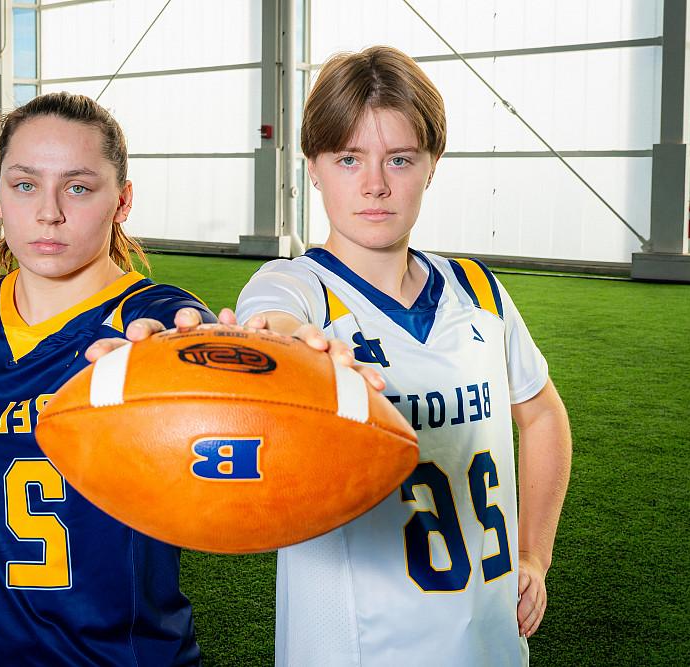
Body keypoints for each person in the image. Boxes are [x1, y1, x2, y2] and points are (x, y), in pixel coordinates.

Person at [234, 46, 573, 665]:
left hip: (491, 640)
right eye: (348, 158)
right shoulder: (301, 289)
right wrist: (291, 346)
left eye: (399, 159)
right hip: (354, 648)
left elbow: (544, 415)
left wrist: (534, 554)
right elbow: (270, 324)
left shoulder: (479, 290)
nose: (375, 184)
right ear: (313, 166)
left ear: (431, 164)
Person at [0, 91, 214, 666]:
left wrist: (225, 349)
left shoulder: (146, 322)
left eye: (78, 187)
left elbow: (199, 352)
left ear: (121, 201)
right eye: (25, 185)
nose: (48, 211)